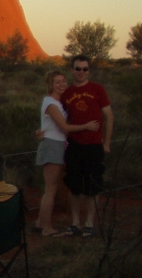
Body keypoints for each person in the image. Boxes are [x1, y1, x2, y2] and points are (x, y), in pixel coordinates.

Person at [35, 70, 99, 237]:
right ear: (51, 84)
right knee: (51, 189)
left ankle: (41, 222)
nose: (62, 84)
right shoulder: (51, 103)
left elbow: (50, 125)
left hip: (57, 144)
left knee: (51, 188)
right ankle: (47, 228)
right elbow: (65, 127)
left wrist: (41, 130)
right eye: (57, 82)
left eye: (63, 81)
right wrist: (87, 126)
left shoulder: (59, 102)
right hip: (53, 145)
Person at [61, 55, 114, 237]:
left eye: (85, 69)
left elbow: (109, 116)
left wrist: (107, 142)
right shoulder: (66, 94)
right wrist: (43, 132)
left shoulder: (98, 89)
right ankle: (75, 222)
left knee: (93, 186)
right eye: (78, 68)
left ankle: (89, 222)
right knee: (74, 185)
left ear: (89, 71)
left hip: (94, 145)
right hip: (74, 145)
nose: (81, 72)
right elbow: (59, 118)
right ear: (72, 70)